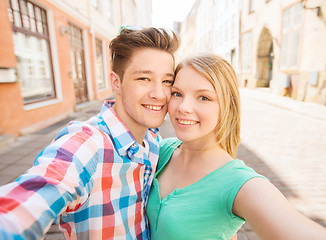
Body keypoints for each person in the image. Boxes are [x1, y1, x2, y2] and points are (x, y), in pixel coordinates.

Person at [0, 27, 179, 239]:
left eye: (167, 81)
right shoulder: (88, 143)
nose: (159, 94)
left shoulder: (153, 142)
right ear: (116, 82)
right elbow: (29, 200)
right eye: (144, 79)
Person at [146, 54, 326, 239]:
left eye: (204, 97)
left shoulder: (239, 183)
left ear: (228, 107)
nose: (184, 107)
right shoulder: (161, 150)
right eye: (177, 93)